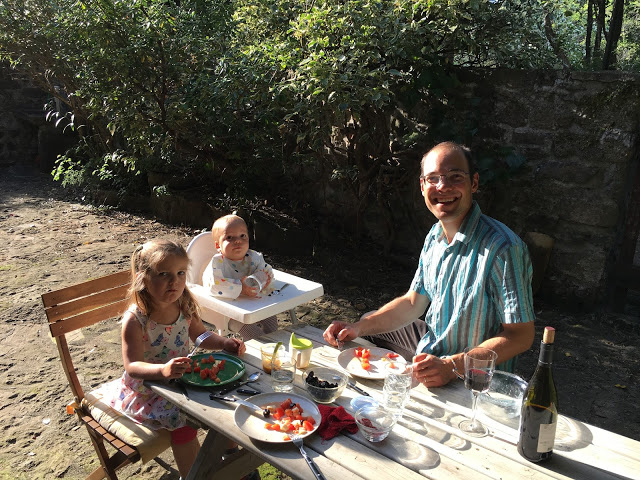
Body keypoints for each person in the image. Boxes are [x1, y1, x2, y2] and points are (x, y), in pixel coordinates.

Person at [323, 141, 536, 388]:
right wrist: (355, 328)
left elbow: (520, 336)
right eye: (433, 178)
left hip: (474, 379)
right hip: (433, 348)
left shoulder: (504, 248)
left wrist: (451, 366)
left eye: (455, 177)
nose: (443, 186)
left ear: (474, 183)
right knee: (368, 321)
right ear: (422, 186)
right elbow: (413, 302)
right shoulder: (435, 235)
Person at [96, 239, 245, 479]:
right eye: (163, 274)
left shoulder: (183, 304)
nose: (174, 282)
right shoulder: (136, 319)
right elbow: (132, 366)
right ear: (143, 278)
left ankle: (231, 457)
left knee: (224, 398)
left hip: (183, 378)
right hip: (149, 389)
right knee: (183, 424)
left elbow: (200, 335)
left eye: (180, 273)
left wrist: (223, 342)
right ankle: (194, 475)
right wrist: (162, 371)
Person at [202, 214, 278, 339]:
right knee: (256, 336)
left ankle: (273, 344)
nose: (238, 241)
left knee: (272, 322)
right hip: (229, 314)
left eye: (242, 236)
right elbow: (214, 284)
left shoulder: (253, 257)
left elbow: (266, 269)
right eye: (229, 237)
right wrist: (241, 288)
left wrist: (265, 278)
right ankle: (260, 347)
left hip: (255, 303)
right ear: (218, 246)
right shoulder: (217, 263)